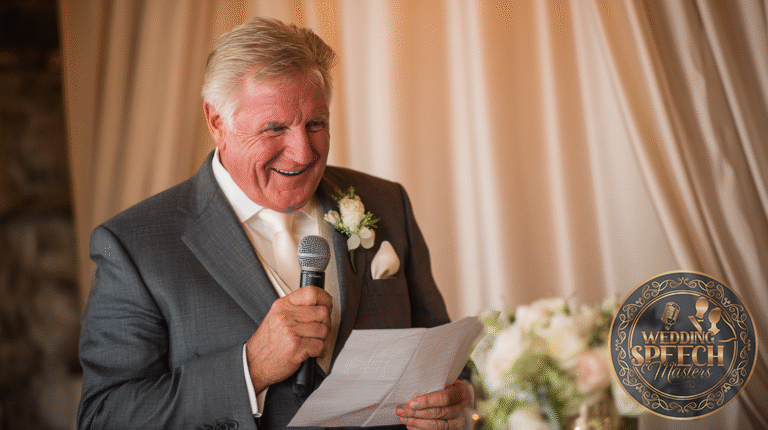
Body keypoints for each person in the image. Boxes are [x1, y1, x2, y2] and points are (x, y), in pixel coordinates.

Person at [77, 17, 472, 430]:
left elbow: (444, 359)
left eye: (316, 124)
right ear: (216, 122)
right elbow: (104, 417)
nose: (302, 153)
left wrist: (459, 398)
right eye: (275, 128)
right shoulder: (134, 245)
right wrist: (250, 368)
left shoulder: (387, 204)